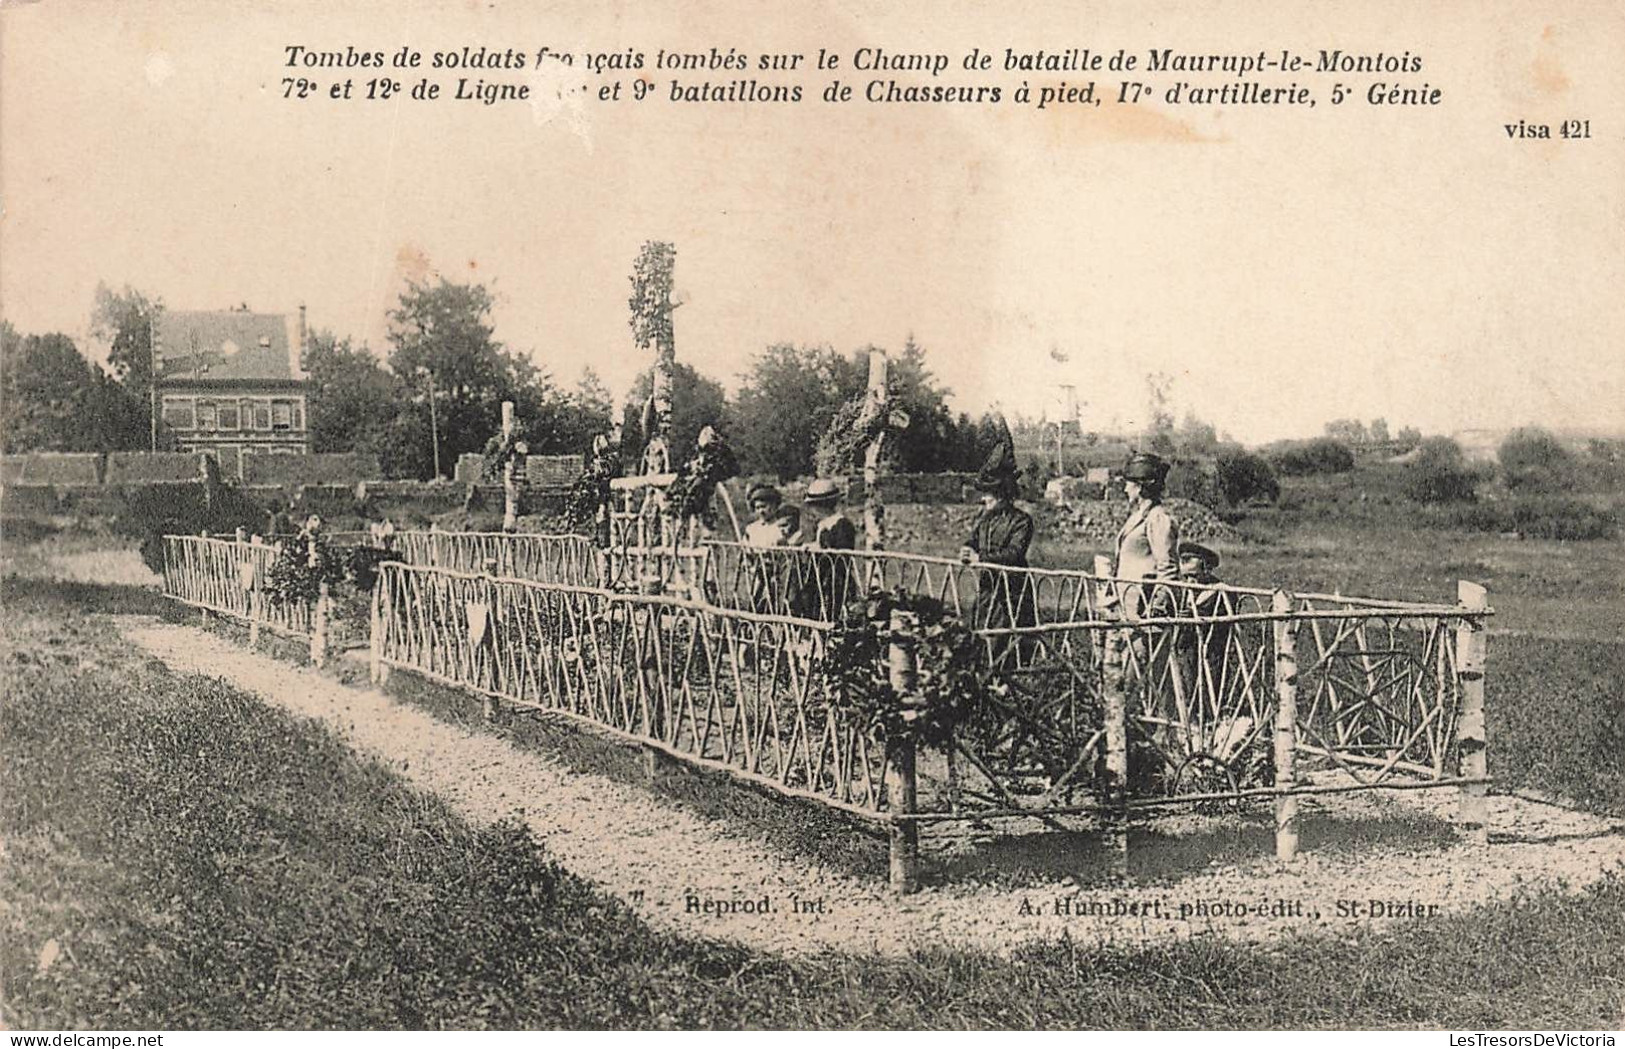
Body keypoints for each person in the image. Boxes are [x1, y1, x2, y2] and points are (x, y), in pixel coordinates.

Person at [960, 441, 1036, 637]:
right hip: (988, 590)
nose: (984, 499)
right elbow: (974, 540)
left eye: (989, 493)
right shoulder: (984, 519)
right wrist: (967, 549)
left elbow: (1014, 553)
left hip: (1012, 593)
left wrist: (982, 559)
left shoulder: (1021, 521)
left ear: (1002, 495)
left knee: (1007, 640)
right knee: (979, 635)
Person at [1112, 451, 1180, 621]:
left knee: (1142, 648)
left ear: (1140, 486)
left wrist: (1156, 608)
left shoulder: (1157, 519)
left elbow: (1167, 567)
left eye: (1128, 484)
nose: (1125, 489)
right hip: (1125, 603)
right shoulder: (1137, 517)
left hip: (1142, 609)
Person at [796, 478, 856, 620]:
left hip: (835, 574)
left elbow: (842, 550)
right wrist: (811, 547)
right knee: (813, 603)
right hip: (819, 572)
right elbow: (819, 543)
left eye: (814, 507)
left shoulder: (841, 524)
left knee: (833, 606)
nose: (812, 511)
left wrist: (821, 549)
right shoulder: (822, 524)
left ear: (822, 506)